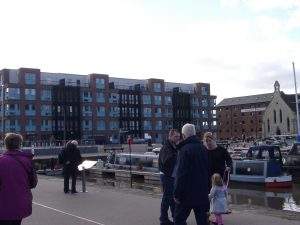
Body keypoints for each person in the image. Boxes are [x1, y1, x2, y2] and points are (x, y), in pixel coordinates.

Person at [173, 123, 209, 225]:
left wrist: (177, 193)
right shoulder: (203, 148)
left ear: (184, 136)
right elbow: (207, 170)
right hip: (201, 193)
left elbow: (181, 174)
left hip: (187, 194)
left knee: (178, 219)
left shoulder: (184, 150)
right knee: (202, 221)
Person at [0, 132, 38, 225]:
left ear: (6, 145)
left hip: (2, 205)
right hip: (20, 204)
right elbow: (33, 183)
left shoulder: (1, 161)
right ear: (20, 145)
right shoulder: (27, 161)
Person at [158, 129, 181, 225]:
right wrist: (178, 157)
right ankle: (163, 219)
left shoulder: (173, 146)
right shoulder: (167, 147)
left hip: (171, 176)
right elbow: (166, 161)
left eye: (179, 137)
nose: (178, 138)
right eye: (176, 136)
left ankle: (175, 217)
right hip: (167, 176)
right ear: (170, 136)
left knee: (171, 198)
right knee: (167, 198)